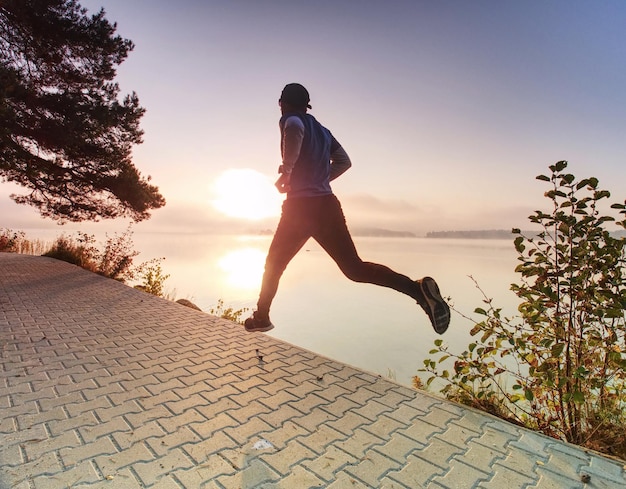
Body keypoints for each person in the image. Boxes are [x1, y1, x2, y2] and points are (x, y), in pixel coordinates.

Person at [244, 83, 450, 335]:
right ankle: (416, 290)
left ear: (282, 104)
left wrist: (287, 172)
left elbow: (295, 127)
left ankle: (262, 317)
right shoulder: (323, 130)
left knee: (274, 264)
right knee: (355, 268)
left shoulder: (290, 120)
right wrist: (319, 179)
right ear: (307, 105)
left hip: (300, 209)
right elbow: (344, 161)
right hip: (327, 206)